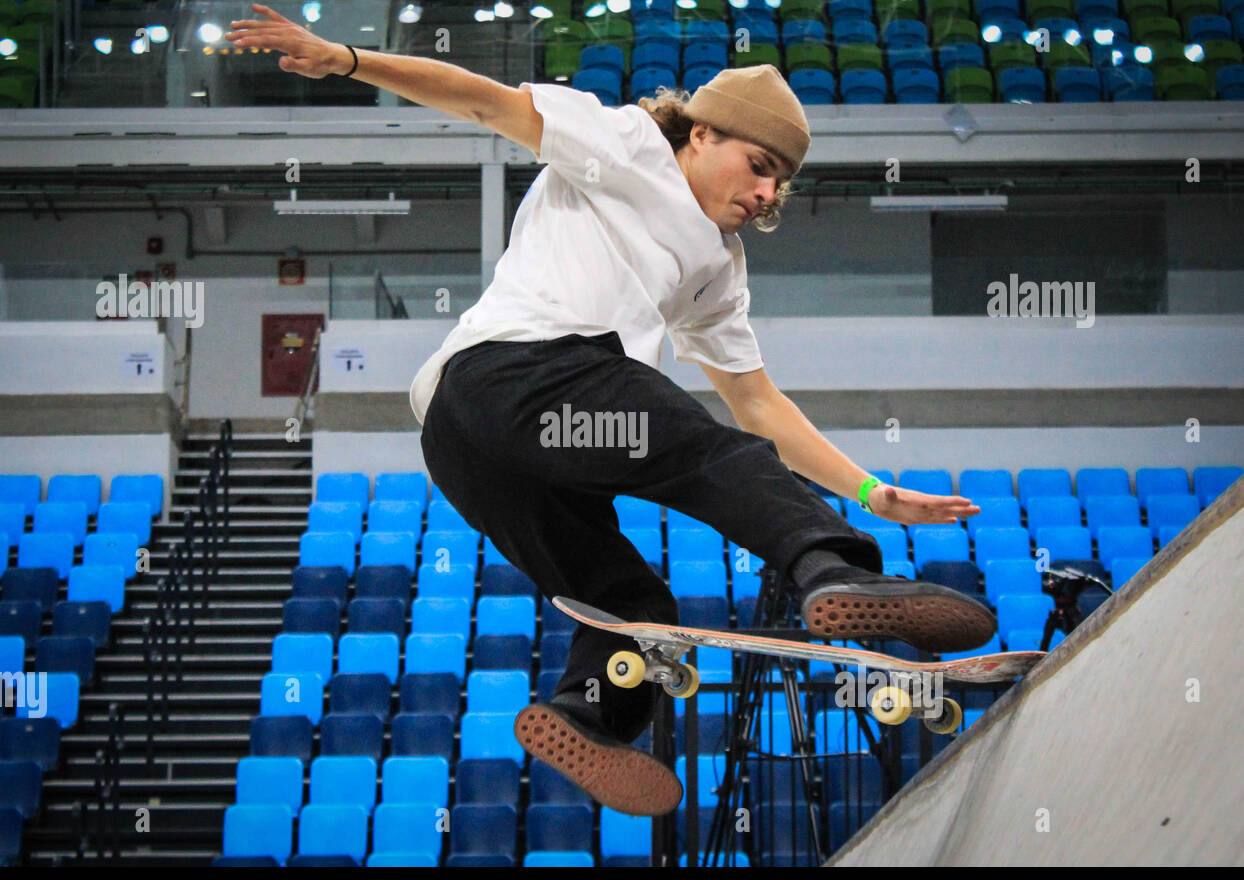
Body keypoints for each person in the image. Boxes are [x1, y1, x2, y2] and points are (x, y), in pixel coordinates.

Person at [229, 6, 997, 817]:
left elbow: (758, 400)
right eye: (759, 165)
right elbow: (484, 101)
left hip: (469, 446)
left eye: (780, 183)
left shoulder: (720, 268)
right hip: (518, 376)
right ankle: (831, 570)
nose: (767, 193)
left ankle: (587, 714)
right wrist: (346, 59)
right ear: (700, 133)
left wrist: (873, 492)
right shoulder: (627, 142)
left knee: (631, 605)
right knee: (713, 453)